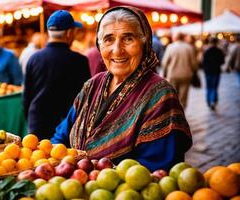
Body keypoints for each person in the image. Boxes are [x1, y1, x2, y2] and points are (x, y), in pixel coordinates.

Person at [51, 6, 192, 171]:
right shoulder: (92, 85)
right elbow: (60, 137)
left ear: (144, 43)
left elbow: (156, 170)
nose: (117, 51)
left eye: (128, 39)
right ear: (99, 44)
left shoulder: (160, 95)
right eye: (108, 39)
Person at [23, 10, 91, 140]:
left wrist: (32, 119)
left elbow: (26, 97)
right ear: (69, 33)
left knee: (35, 159)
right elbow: (85, 99)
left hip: (37, 123)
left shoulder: (34, 58)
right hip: (66, 126)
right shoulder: (79, 61)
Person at [161, 32, 198, 109]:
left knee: (173, 96)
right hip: (186, 75)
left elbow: (164, 62)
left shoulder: (170, 47)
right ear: (183, 38)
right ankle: (181, 114)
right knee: (183, 97)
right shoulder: (189, 47)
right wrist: (195, 71)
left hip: (173, 75)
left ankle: (174, 113)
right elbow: (194, 63)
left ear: (175, 38)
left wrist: (164, 73)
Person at [201, 37, 225, 110]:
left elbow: (203, 63)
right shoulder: (219, 51)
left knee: (208, 87)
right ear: (216, 43)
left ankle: (209, 101)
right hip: (216, 71)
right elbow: (222, 62)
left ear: (210, 42)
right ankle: (213, 101)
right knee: (214, 87)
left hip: (208, 72)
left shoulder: (206, 51)